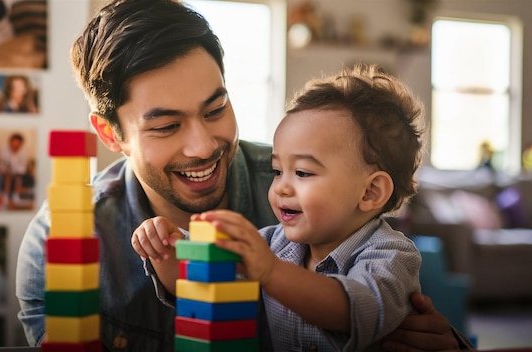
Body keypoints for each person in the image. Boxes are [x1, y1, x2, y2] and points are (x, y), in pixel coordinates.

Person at [15, 1, 472, 351]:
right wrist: (170, 261)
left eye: (216, 109)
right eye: (166, 126)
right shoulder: (59, 243)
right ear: (110, 134)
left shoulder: (301, 196)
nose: (203, 145)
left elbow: (383, 307)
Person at [133, 64, 427, 350]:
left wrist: (271, 272)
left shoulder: (391, 255)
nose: (281, 187)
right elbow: (203, 282)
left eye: (302, 172)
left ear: (370, 192)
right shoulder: (274, 243)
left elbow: (357, 311)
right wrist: (168, 251)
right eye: (277, 171)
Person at [0, 132, 30, 207]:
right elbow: (1, 163)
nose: (14, 145)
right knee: (8, 176)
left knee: (18, 178)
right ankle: (5, 196)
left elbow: (23, 167)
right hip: (5, 172)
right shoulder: (3, 150)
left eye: (17, 143)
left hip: (17, 173)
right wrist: (6, 170)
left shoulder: (23, 153)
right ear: (10, 142)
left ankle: (16, 195)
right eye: (13, 142)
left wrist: (16, 171)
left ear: (20, 144)